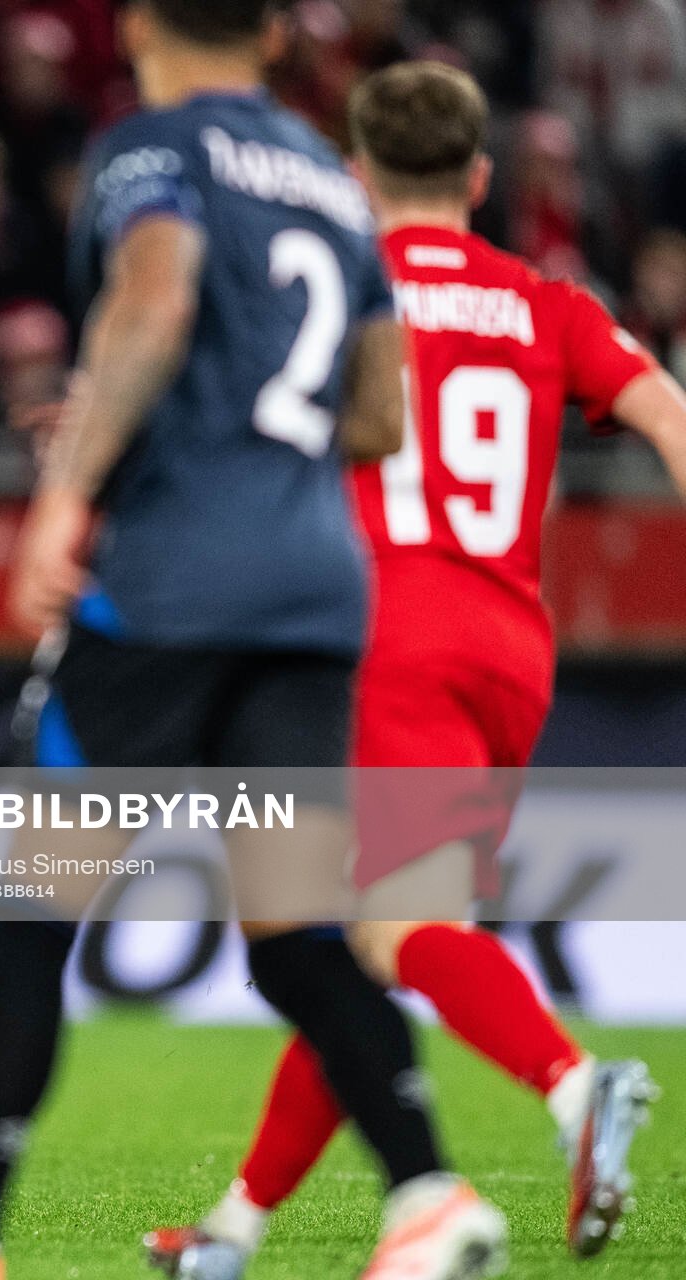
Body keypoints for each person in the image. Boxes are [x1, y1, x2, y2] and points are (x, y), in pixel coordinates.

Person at [0, 4, 503, 1279]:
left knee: (27, 915)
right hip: (314, 593)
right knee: (296, 931)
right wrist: (211, 428)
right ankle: (432, 1191)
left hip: (170, 589)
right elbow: (381, 412)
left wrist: (72, 481)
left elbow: (156, 295)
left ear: (134, 26)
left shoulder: (151, 147)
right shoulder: (337, 186)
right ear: (276, 34)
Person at [148, 61, 679, 1280]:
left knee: (382, 928)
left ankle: (573, 1083)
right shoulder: (549, 300)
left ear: (355, 173)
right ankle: (232, 1230)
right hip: (504, 646)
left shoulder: (334, 288)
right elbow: (663, 415)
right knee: (340, 938)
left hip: (368, 632)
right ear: (481, 178)